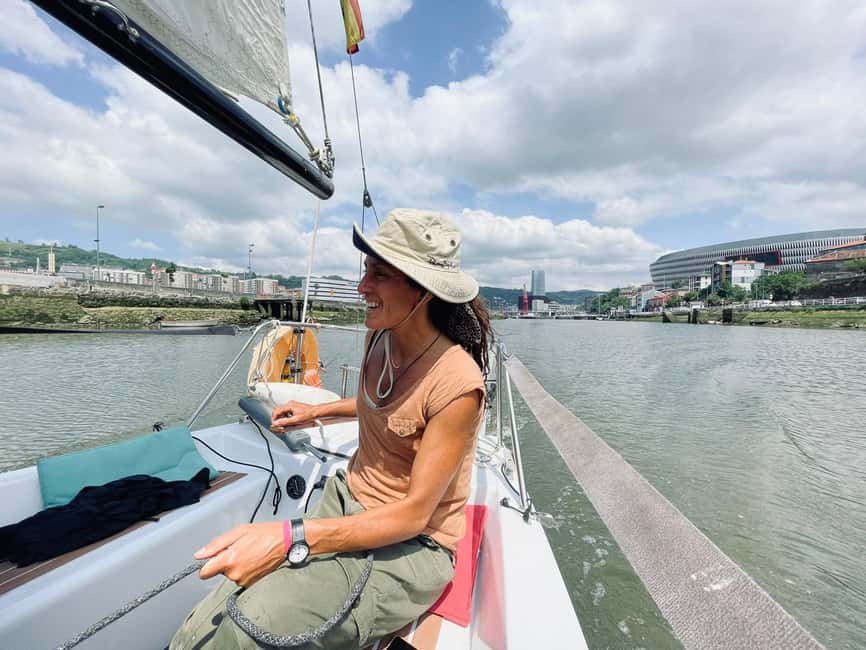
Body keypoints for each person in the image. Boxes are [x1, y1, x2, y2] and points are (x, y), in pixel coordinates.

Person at [171, 208, 492, 649]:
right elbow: (381, 404)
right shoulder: (382, 334)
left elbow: (416, 513)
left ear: (424, 291)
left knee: (249, 626)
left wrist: (289, 537)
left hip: (414, 545)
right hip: (345, 500)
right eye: (367, 271)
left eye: (379, 275)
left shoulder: (457, 385)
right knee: (206, 620)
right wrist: (316, 412)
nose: (363, 287)